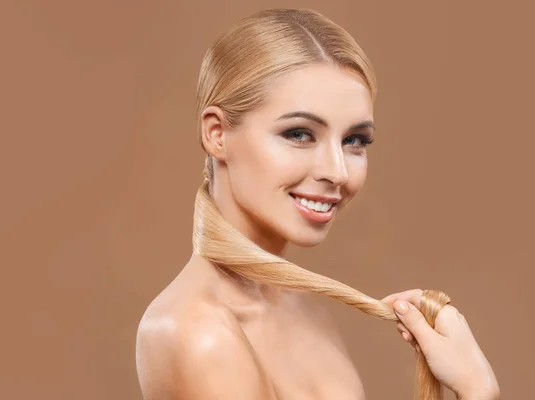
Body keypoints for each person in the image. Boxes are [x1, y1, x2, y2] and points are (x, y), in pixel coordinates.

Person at [135, 8, 500, 400]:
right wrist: (478, 391)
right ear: (217, 133)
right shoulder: (198, 333)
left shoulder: (306, 310)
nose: (338, 172)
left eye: (355, 140)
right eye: (299, 133)